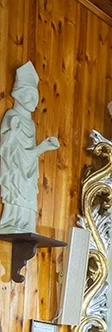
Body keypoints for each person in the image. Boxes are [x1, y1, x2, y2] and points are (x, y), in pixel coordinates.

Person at [0, 62, 59, 235]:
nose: (34, 101)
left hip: (29, 169)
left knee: (29, 190)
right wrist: (13, 132)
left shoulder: (32, 124)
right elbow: (6, 148)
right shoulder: (12, 115)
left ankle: (26, 223)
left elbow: (29, 155)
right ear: (19, 94)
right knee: (17, 186)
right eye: (30, 95)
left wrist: (42, 148)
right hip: (15, 169)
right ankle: (12, 221)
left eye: (36, 96)